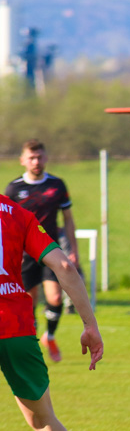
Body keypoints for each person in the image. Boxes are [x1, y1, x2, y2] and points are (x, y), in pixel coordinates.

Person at [0, 192, 104, 431]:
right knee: (42, 418)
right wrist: (90, 325)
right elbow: (64, 265)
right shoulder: (17, 213)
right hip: (15, 327)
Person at [5, 139, 79, 362]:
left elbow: (68, 218)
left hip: (49, 251)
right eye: (31, 158)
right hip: (23, 254)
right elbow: (5, 223)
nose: (36, 162)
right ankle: (34, 343)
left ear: (46, 158)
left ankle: (51, 336)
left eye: (39, 157)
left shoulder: (57, 185)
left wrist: (73, 249)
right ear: (22, 161)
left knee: (55, 297)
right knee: (29, 299)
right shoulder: (14, 188)